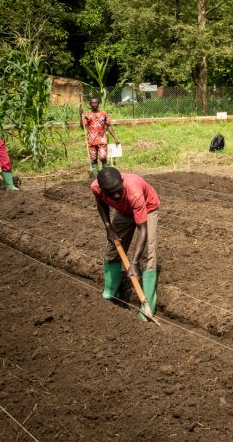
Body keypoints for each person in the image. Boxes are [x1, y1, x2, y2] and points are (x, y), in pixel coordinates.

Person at [92, 167, 160, 321]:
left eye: (118, 190)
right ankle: (111, 290)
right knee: (112, 248)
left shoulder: (134, 191)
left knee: (147, 254)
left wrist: (134, 263)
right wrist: (108, 228)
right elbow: (101, 204)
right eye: (110, 193)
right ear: (102, 189)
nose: (115, 195)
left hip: (147, 208)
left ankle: (147, 307)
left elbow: (142, 230)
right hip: (124, 211)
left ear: (122, 182)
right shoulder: (96, 187)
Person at [80, 96, 119, 178]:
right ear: (90, 104)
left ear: (98, 103)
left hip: (102, 139)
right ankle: (95, 176)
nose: (94, 104)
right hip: (91, 140)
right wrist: (80, 115)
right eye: (93, 102)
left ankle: (105, 175)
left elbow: (109, 126)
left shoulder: (103, 114)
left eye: (96, 102)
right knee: (93, 159)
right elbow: (83, 127)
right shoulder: (87, 115)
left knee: (103, 157)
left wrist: (115, 138)